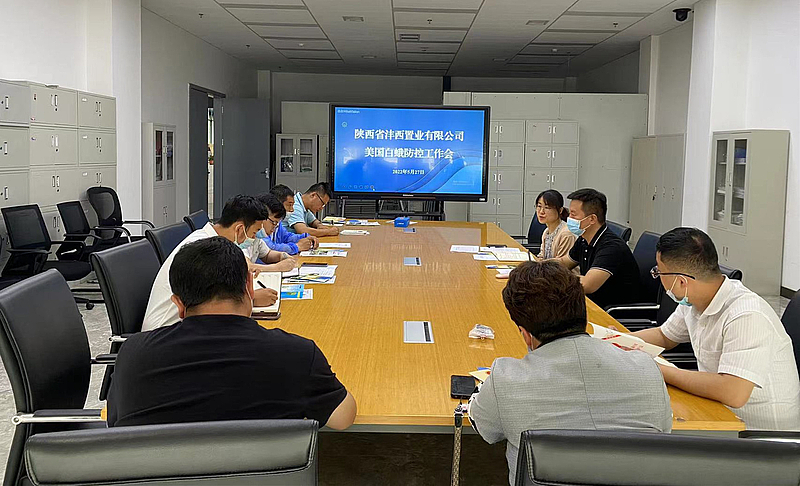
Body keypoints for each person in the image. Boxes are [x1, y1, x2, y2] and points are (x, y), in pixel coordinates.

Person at [108, 237, 357, 429]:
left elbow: (114, 422)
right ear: (249, 286)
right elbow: (342, 418)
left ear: (179, 304)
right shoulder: (297, 354)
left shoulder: (133, 354)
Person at [469, 261, 671, 485]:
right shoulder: (646, 368)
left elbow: (484, 425)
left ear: (525, 334)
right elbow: (664, 433)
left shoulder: (506, 379)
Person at [630, 228, 800, 430]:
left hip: (759, 435)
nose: (658, 277)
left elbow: (733, 392)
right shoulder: (694, 299)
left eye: (659, 272)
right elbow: (664, 336)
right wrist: (617, 340)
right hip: (718, 413)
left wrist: (661, 371)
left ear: (681, 281)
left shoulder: (746, 315)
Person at [142, 195, 295, 331]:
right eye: (254, 233)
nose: (254, 239)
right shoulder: (204, 250)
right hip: (167, 330)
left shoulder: (213, 243)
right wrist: (252, 299)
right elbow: (209, 303)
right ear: (239, 229)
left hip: (188, 325)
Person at [554, 188, 640, 308]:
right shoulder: (584, 239)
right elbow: (565, 262)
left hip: (611, 311)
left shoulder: (611, 247)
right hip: (590, 303)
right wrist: (539, 267)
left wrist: (553, 278)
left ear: (592, 219)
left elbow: (587, 285)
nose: (569, 218)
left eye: (573, 214)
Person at [256, 184, 317, 255]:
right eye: (289, 205)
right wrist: (297, 247)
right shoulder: (259, 229)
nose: (292, 210)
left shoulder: (276, 222)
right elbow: (270, 248)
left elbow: (286, 237)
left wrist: (305, 236)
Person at [534, 189, 575, 260]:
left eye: (547, 208)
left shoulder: (566, 234)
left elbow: (562, 264)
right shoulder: (546, 232)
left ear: (560, 210)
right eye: (539, 206)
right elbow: (542, 257)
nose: (541, 212)